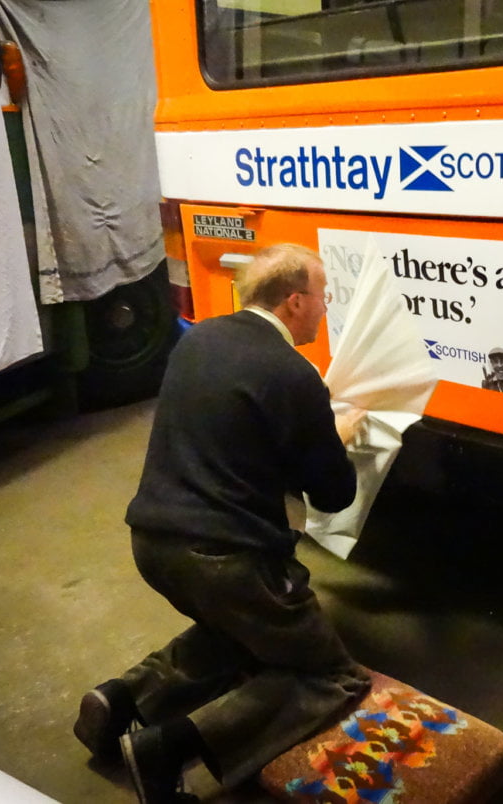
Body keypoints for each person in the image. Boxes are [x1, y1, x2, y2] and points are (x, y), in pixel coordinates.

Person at [73, 243, 371, 804]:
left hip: (152, 543)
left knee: (238, 632)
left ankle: (119, 701)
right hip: (226, 559)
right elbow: (333, 495)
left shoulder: (201, 340)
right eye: (323, 298)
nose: (326, 308)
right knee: (331, 677)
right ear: (295, 301)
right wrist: (336, 436)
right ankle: (170, 747)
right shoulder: (293, 373)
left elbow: (235, 435)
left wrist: (303, 419)